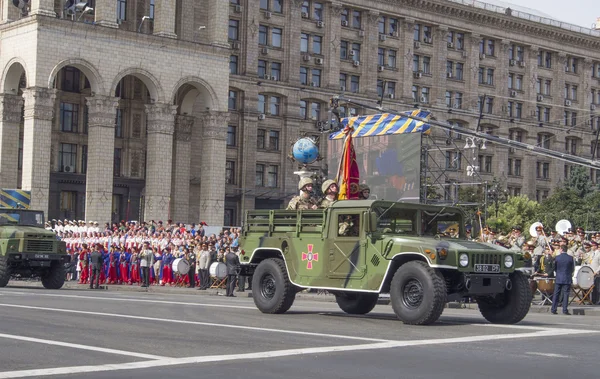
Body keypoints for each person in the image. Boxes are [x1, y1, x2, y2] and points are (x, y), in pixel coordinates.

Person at [551, 245, 575, 315]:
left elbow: (554, 268)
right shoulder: (570, 258)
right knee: (566, 294)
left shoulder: (557, 257)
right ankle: (565, 310)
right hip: (567, 277)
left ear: (561, 249)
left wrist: (558, 272)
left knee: (556, 293)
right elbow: (572, 268)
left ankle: (553, 309)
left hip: (559, 277)